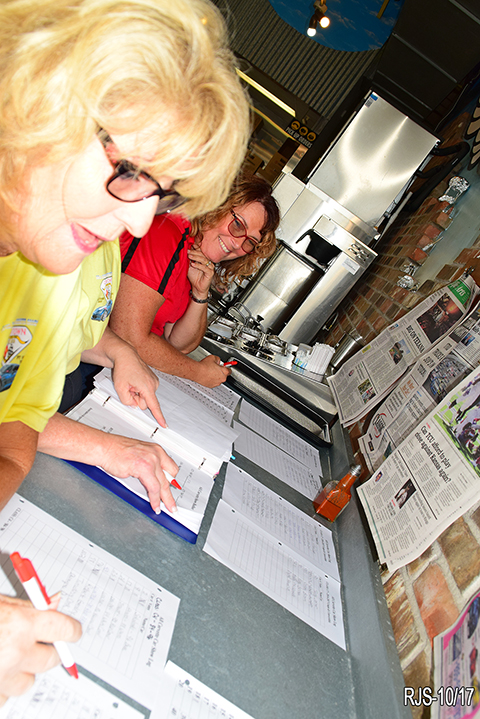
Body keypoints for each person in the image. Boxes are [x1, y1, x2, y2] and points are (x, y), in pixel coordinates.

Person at [0, 0, 249, 700]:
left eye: (161, 193)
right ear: (33, 94)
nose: (140, 221)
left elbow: (14, 437)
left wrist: (119, 368)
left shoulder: (54, 273)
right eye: (131, 168)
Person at [110, 174, 279, 387]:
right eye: (238, 225)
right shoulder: (167, 233)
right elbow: (128, 336)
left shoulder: (193, 252)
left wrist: (200, 294)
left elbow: (179, 344)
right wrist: (198, 372)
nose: (238, 245)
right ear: (217, 204)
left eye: (250, 242)